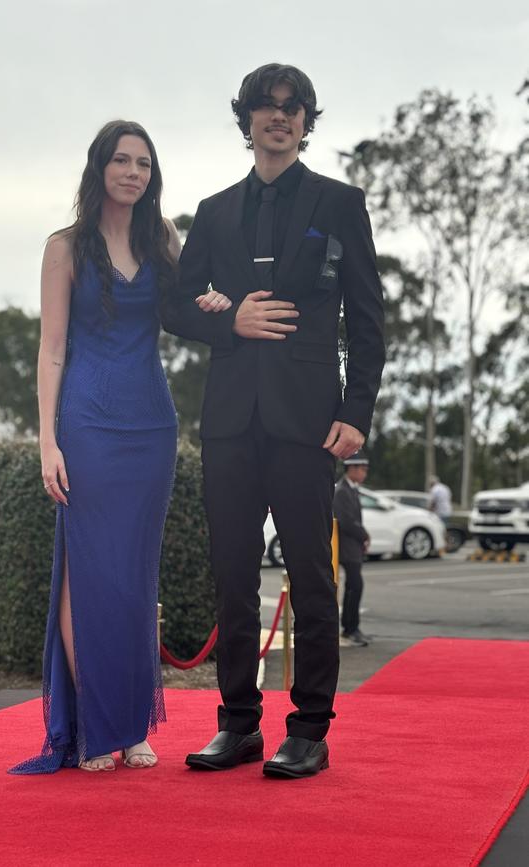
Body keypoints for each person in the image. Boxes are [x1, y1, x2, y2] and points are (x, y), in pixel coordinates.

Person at [163, 63, 385, 779]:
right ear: (248, 119)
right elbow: (174, 307)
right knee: (231, 577)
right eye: (267, 106)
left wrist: (357, 414)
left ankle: (310, 728)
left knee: (312, 578)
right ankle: (237, 724)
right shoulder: (215, 209)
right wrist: (232, 321)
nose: (279, 117)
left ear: (305, 121)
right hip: (228, 422)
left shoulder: (340, 201)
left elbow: (368, 320)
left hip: (306, 423)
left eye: (292, 108)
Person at [9, 120, 231, 775]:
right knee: (89, 572)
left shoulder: (162, 237)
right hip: (87, 422)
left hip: (151, 425)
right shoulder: (65, 247)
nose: (133, 171)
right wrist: (47, 439)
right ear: (99, 167)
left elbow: (186, 307)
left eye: (143, 161)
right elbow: (50, 350)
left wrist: (213, 299)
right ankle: (97, 726)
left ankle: (131, 724)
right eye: (121, 160)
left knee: (135, 578)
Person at [333, 451, 371, 647]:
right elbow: (347, 522)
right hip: (346, 547)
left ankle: (352, 627)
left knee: (354, 586)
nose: (365, 473)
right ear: (352, 469)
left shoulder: (350, 489)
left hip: (352, 546)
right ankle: (350, 628)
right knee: (355, 585)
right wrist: (364, 535)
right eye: (363, 469)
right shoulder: (342, 491)